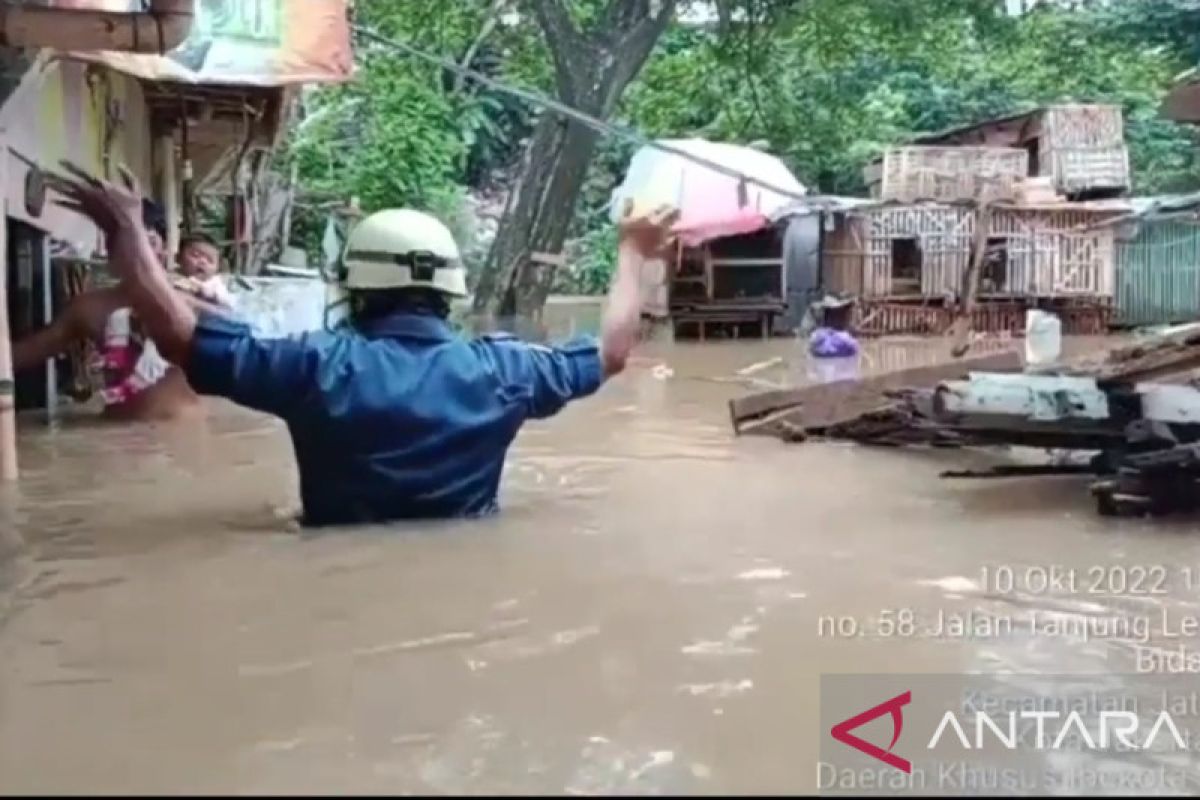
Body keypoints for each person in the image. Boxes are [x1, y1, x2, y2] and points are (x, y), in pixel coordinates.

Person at [50, 162, 678, 526]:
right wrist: (631, 251)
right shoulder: (505, 372)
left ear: (355, 287)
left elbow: (179, 337)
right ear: (450, 290)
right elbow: (612, 352)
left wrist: (128, 233)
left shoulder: (312, 365)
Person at [11, 198, 231, 421]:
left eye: (147, 243)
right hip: (115, 435)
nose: (132, 252)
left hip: (184, 436)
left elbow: (243, 351)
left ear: (164, 250)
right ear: (109, 248)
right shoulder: (89, 308)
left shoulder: (190, 303)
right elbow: (27, 352)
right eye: (122, 242)